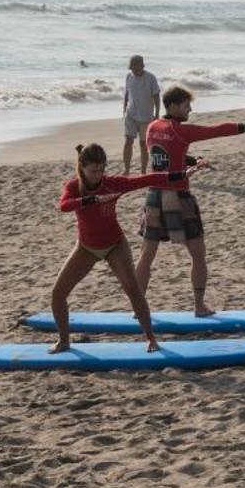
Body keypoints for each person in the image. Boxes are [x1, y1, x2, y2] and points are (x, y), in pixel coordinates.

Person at [135, 85, 245, 315]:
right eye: (186, 105)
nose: (190, 109)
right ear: (172, 106)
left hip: (153, 196)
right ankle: (199, 306)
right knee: (198, 254)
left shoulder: (152, 127)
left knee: (146, 254)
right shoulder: (182, 130)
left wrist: (193, 160)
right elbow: (218, 130)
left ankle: (137, 306)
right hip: (178, 197)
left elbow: (167, 154)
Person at [48, 143, 170, 354]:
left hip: (115, 245)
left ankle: (151, 338)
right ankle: (64, 340)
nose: (98, 175)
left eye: (101, 170)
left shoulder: (111, 183)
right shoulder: (73, 186)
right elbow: (64, 205)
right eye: (93, 171)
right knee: (58, 293)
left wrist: (180, 174)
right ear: (82, 168)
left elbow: (145, 180)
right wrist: (92, 199)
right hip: (86, 248)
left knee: (132, 289)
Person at [119, 55, 161, 174]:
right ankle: (126, 170)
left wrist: (157, 114)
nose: (133, 70)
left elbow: (156, 96)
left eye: (135, 67)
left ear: (142, 66)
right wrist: (124, 110)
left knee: (143, 144)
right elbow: (127, 94)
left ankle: (143, 171)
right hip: (130, 114)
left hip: (146, 117)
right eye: (131, 68)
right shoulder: (129, 76)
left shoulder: (150, 78)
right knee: (128, 141)